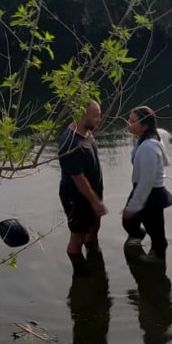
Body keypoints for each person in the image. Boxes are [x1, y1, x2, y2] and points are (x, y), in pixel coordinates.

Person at [57, 100, 107, 266]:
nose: (98, 119)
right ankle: (79, 272)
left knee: (93, 229)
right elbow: (78, 178)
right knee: (77, 237)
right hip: (76, 198)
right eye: (95, 116)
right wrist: (95, 202)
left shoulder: (87, 132)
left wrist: (97, 199)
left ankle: (94, 257)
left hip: (93, 195)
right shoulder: (70, 143)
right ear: (81, 115)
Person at [122, 105, 172, 260]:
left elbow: (146, 183)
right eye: (128, 119)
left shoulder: (149, 148)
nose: (128, 123)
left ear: (145, 126)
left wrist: (133, 207)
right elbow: (164, 134)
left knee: (157, 235)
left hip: (151, 194)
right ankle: (140, 240)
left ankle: (157, 264)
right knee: (129, 222)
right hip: (143, 189)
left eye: (132, 121)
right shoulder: (150, 137)